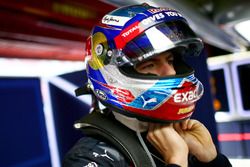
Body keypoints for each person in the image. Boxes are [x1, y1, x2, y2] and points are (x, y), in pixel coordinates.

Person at [63, 3, 232, 167]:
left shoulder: (182, 135)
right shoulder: (87, 158)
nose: (172, 72)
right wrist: (176, 160)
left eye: (171, 61)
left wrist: (211, 159)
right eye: (150, 64)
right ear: (112, 75)